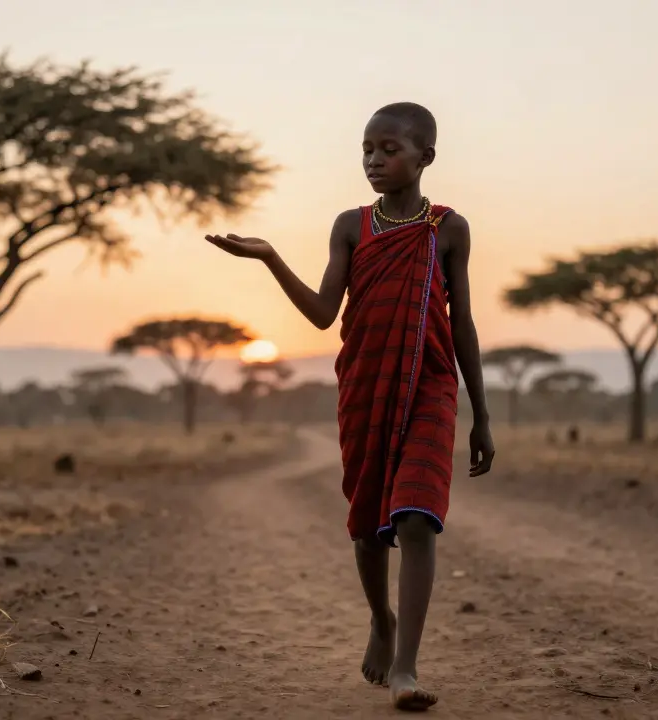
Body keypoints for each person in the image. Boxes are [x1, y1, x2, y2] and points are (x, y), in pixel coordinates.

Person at [205, 101, 494, 712]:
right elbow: (320, 313)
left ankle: (407, 670)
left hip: (432, 386)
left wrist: (482, 415)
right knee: (368, 530)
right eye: (367, 149)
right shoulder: (350, 226)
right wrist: (269, 257)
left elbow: (461, 323)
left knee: (416, 517)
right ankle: (381, 620)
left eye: (389, 149)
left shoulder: (449, 229)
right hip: (364, 383)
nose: (374, 160)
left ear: (425, 157)